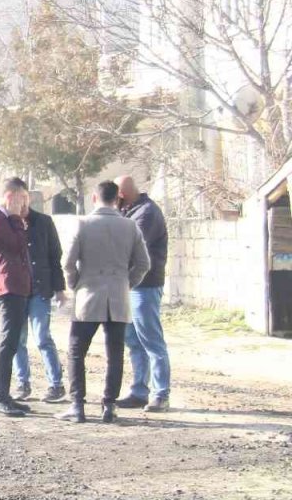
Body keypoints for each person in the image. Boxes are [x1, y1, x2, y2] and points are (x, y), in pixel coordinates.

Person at [55, 180, 151, 424]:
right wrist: (127, 283)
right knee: (115, 353)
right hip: (118, 296)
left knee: (77, 351)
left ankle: (77, 405)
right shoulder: (130, 226)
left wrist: (75, 282)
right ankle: (109, 406)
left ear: (95, 198)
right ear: (117, 199)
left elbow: (67, 262)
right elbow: (144, 264)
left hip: (88, 294)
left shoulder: (83, 224)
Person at [115, 176, 172, 413]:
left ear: (121, 196)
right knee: (134, 341)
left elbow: (130, 248)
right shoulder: (131, 211)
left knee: (151, 341)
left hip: (145, 285)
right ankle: (139, 391)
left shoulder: (146, 213)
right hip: (130, 286)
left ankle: (161, 394)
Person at [0, 177, 33, 418]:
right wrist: (15, 217)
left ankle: (5, 394)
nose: (24, 205)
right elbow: (17, 245)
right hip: (8, 285)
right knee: (8, 341)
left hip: (17, 285)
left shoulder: (5, 218)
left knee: (13, 343)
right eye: (21, 198)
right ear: (10, 196)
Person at [13, 205, 68, 404]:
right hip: (16, 291)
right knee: (17, 339)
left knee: (42, 337)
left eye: (24, 198)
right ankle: (22, 383)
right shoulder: (7, 222)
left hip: (39, 289)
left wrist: (59, 288)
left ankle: (56, 384)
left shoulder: (43, 222)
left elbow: (55, 257)